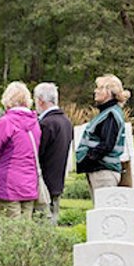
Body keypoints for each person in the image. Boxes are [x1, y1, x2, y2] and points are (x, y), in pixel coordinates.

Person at [0, 81, 42, 219]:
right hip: (29, 183)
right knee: (24, 231)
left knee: (10, 231)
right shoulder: (35, 123)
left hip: (8, 183)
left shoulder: (7, 122)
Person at [75, 74, 131, 199]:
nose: (95, 91)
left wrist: (88, 159)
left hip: (104, 172)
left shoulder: (111, 115)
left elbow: (107, 144)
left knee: (104, 213)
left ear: (109, 93)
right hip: (100, 170)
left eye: (99, 88)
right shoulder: (107, 113)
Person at [33, 82, 75, 223]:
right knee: (53, 220)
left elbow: (38, 154)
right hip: (58, 181)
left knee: (43, 223)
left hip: (45, 182)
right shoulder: (66, 121)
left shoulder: (46, 124)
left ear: (40, 100)